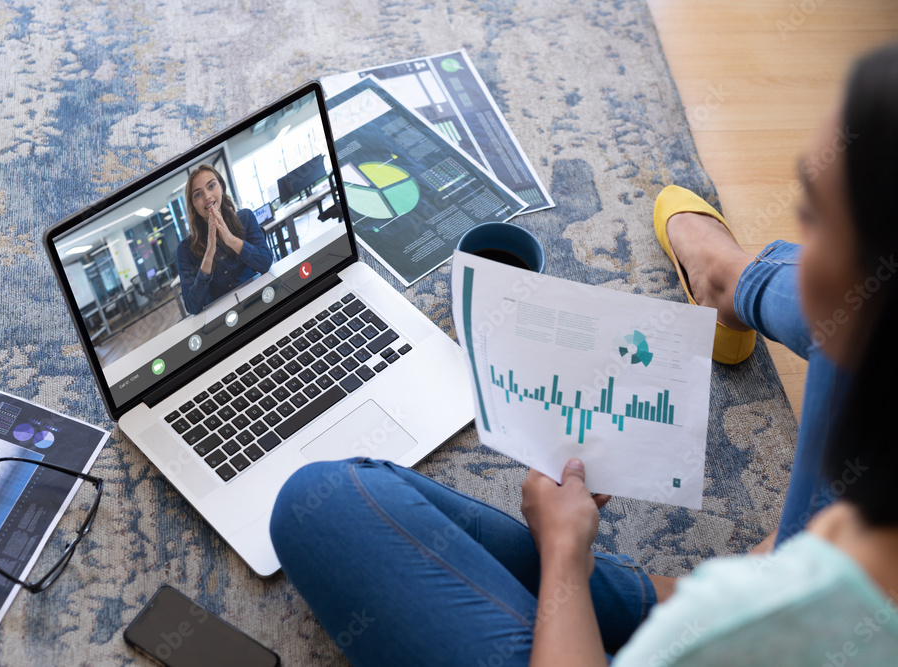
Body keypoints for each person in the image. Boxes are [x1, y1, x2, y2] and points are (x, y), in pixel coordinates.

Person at [269, 40, 898, 665]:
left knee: (317, 503)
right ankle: (729, 283)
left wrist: (565, 552)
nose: (797, 246)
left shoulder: (740, 632)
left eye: (812, 220)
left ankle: (733, 285)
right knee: (853, 315)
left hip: (707, 625)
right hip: (777, 585)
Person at [175, 165, 273, 315]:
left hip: (257, 300)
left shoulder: (245, 217)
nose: (207, 196)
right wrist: (208, 254)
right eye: (197, 195)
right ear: (193, 204)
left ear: (221, 187)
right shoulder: (184, 249)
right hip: (221, 318)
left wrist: (231, 240)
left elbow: (265, 263)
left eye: (211, 186)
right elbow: (192, 306)